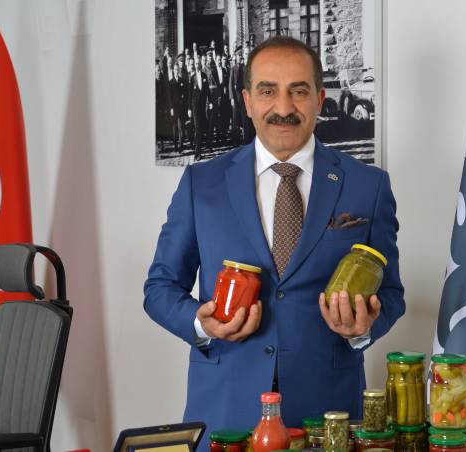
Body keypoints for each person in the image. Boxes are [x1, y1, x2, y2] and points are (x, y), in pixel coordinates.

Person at [144, 36, 405, 452]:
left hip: (328, 412)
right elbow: (160, 288)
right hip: (226, 408)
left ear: (319, 99)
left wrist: (362, 330)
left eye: (298, 91)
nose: (283, 107)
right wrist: (201, 324)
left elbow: (390, 293)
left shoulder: (367, 186)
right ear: (247, 101)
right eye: (268, 91)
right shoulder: (201, 184)